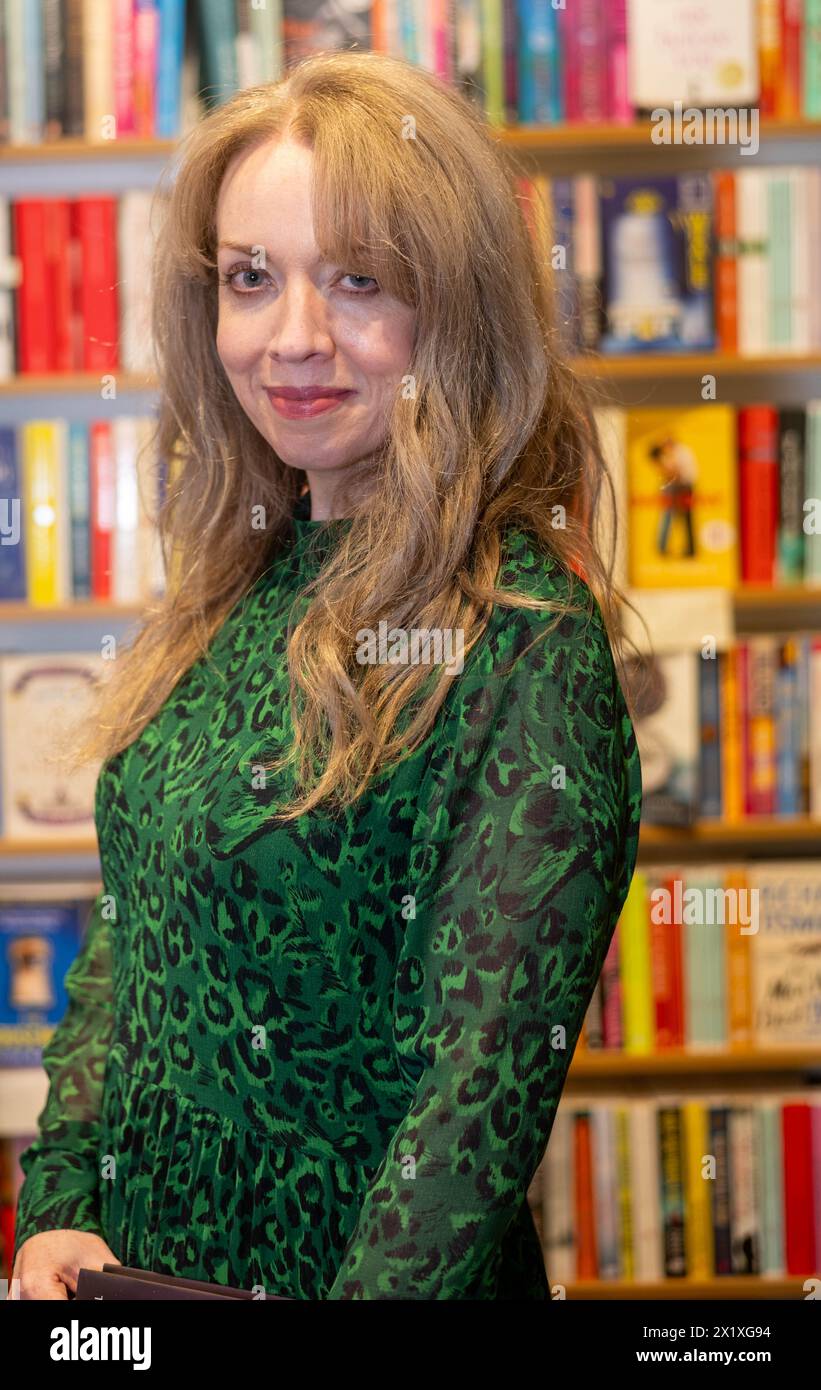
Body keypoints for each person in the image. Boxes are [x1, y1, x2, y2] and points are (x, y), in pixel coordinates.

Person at [11, 49, 642, 1301]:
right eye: (251, 279)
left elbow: (468, 1118)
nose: (292, 338)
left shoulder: (524, 646)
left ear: (454, 307)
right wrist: (60, 1204)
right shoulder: (235, 577)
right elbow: (137, 939)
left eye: (358, 281)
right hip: (130, 1289)